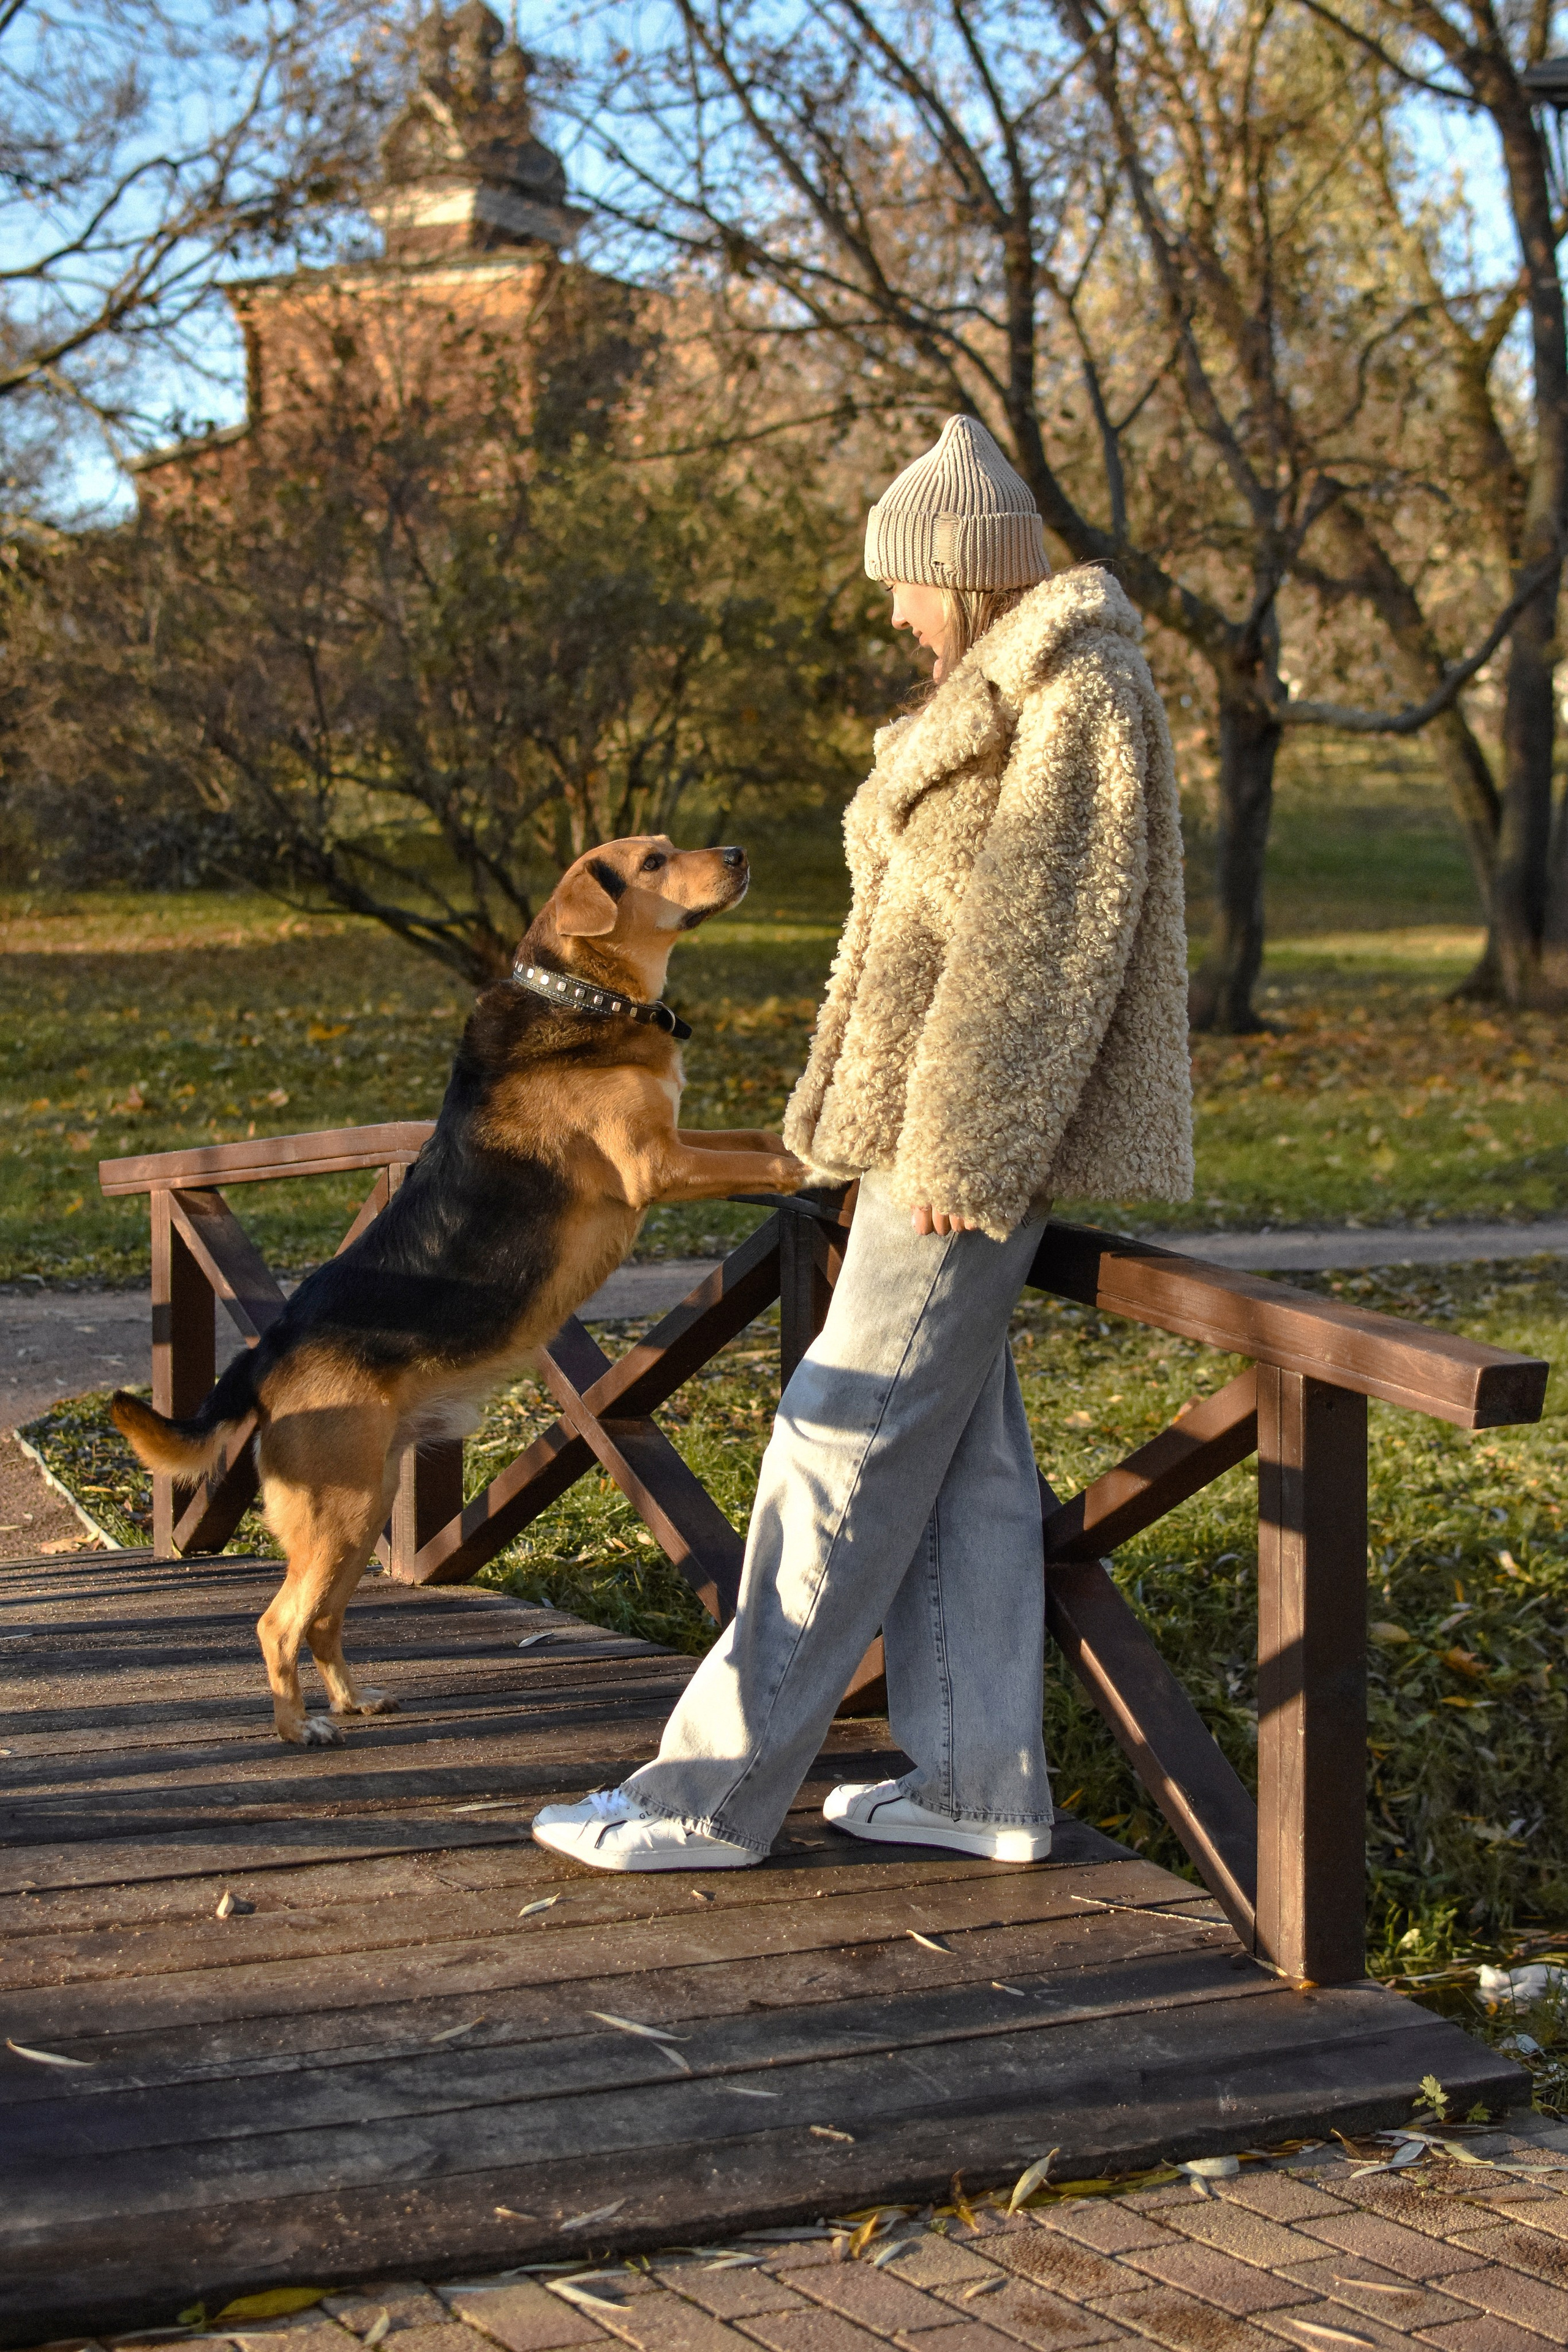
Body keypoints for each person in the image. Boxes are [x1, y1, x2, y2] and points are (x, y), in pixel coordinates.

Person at [532, 415, 1193, 1873]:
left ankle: (700, 1800)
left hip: (956, 1155)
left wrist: (964, 1152)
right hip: (919, 1142)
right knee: (959, 1470)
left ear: (962, 576)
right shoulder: (998, 699)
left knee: (830, 1452)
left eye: (904, 585)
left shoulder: (1075, 692)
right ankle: (973, 1785)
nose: (891, 612)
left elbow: (1041, 953)